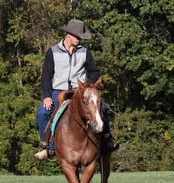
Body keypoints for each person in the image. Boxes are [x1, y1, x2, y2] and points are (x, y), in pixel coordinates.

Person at [35, 19, 118, 160]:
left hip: (79, 91)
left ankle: (107, 139)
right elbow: (46, 76)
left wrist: (88, 86)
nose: (79, 39)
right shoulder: (52, 52)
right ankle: (48, 146)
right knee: (42, 113)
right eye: (77, 36)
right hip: (58, 91)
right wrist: (47, 96)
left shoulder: (85, 52)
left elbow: (94, 71)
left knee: (103, 107)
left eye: (80, 37)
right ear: (68, 35)